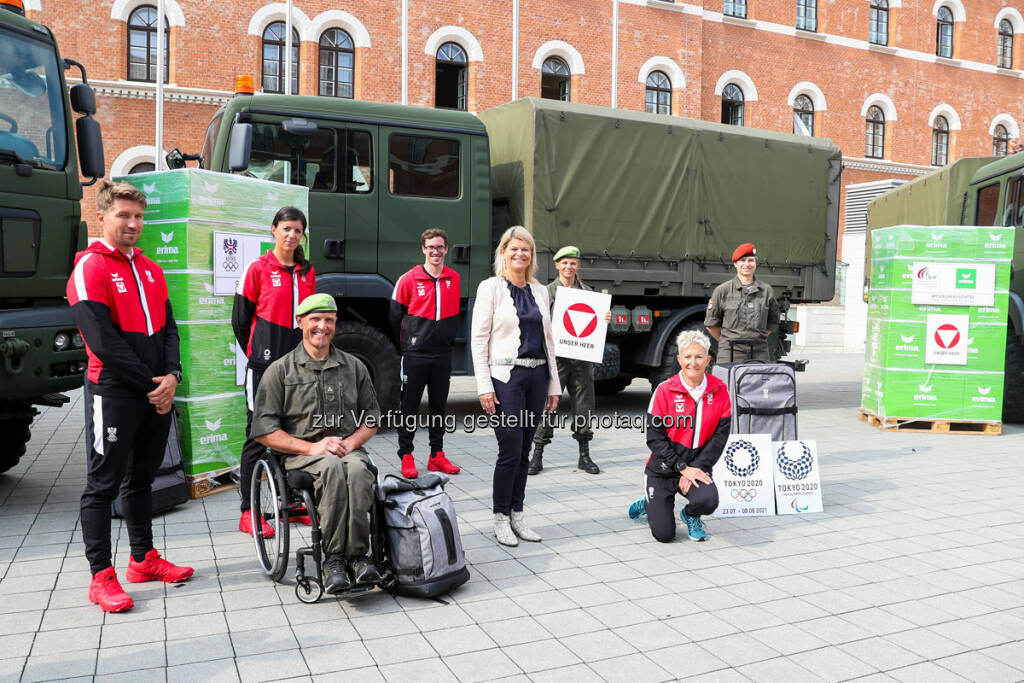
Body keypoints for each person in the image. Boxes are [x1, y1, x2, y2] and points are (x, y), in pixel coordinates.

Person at [67, 180, 194, 613]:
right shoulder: (90, 267)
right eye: (123, 215)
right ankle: (101, 577)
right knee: (102, 487)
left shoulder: (150, 268)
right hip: (116, 392)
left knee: (141, 480)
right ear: (101, 216)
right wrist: (152, 386)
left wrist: (173, 376)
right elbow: (104, 341)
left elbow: (170, 329)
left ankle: (143, 560)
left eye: (138, 216)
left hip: (156, 391)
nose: (133, 223)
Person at [251, 293, 383, 594]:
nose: (322, 327)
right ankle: (334, 558)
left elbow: (373, 415)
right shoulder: (280, 371)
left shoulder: (353, 366)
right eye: (315, 320)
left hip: (346, 449)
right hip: (302, 453)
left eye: (328, 320)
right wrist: (311, 447)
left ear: (335, 324)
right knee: (333, 468)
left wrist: (351, 442)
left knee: (359, 472)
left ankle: (359, 558)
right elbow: (263, 430)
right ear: (300, 322)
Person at [471, 226, 560, 547]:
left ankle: (517, 514)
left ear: (531, 256)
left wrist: (554, 385)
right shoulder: (490, 288)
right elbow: (479, 340)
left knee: (525, 450)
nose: (520, 254)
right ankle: (499, 517)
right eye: (514, 249)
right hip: (506, 378)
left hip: (537, 378)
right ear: (503, 253)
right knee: (509, 450)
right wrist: (484, 385)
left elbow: (549, 341)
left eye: (526, 250)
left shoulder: (540, 291)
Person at [232, 206, 316, 538]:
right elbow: (240, 321)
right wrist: (259, 353)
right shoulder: (257, 269)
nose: (292, 235)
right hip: (264, 367)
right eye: (286, 229)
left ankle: (291, 505)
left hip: (300, 367)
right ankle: (248, 512)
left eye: (297, 230)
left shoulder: (308, 272)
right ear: (273, 230)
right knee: (260, 434)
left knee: (295, 434)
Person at [627, 330, 731, 543]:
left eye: (699, 356)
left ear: (708, 360)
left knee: (709, 500)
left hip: (697, 468)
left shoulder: (720, 390)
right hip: (662, 469)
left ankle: (691, 515)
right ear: (679, 359)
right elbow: (654, 438)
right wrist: (682, 467)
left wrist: (695, 468)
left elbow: (719, 439)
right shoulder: (664, 390)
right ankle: (649, 504)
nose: (693, 362)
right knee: (665, 535)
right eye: (688, 357)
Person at [528, 245, 608, 476]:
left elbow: (597, 328)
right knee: (547, 407)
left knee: (584, 408)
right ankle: (537, 455)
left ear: (578, 266)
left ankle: (584, 456)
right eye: (564, 263)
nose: (568, 267)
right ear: (557, 265)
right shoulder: (546, 292)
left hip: (582, 361)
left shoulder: (588, 291)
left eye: (572, 263)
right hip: (556, 360)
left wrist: (605, 319)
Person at [389, 228, 461, 479]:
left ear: (446, 249)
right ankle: (406, 455)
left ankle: (436, 455)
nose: (435, 251)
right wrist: (408, 345)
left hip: (442, 355)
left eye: (440, 247)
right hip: (415, 355)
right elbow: (394, 317)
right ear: (423, 249)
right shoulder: (408, 279)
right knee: (409, 407)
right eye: (431, 247)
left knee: (439, 407)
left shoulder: (454, 278)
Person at [703, 242, 781, 362]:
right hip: (730, 353)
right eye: (743, 260)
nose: (747, 264)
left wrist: (758, 338)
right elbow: (711, 324)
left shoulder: (766, 291)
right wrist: (727, 341)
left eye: (751, 260)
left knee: (759, 381)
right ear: (735, 264)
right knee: (728, 381)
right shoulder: (723, 290)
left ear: (755, 264)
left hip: (759, 353)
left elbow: (773, 322)